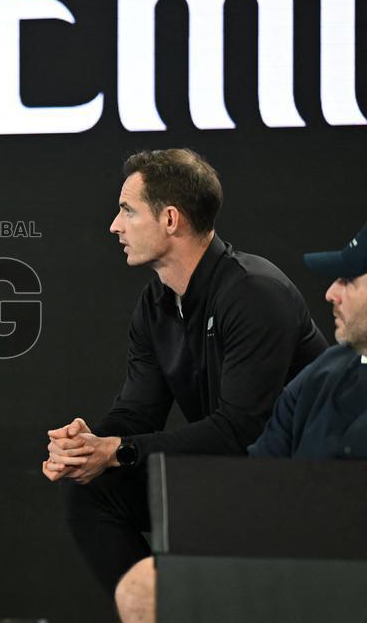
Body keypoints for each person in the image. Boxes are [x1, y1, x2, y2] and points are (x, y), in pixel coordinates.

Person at [41, 149, 327, 596]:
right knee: (94, 489)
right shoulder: (155, 304)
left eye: (127, 210)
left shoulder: (254, 293)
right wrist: (90, 447)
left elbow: (241, 432)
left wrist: (119, 450)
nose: (114, 226)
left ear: (170, 219)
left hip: (304, 487)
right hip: (232, 480)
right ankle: (161, 610)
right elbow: (137, 413)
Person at [114, 220, 367, 623]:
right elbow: (259, 480)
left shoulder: (253, 291)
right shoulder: (323, 374)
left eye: (349, 280)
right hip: (298, 553)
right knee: (144, 589)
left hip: (340, 563)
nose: (330, 294)